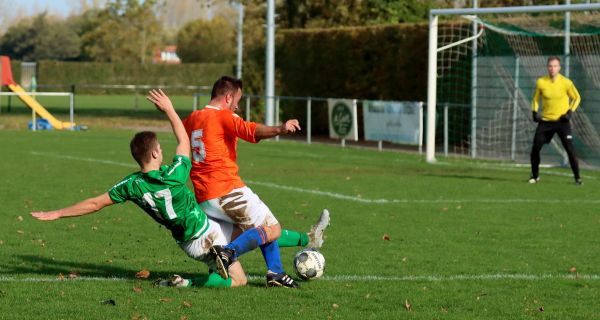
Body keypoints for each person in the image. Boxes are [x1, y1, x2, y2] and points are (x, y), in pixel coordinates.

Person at [30, 89, 252, 288]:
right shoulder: (173, 174)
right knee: (239, 279)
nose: (162, 152)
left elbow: (95, 204)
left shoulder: (132, 185)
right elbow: (183, 140)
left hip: (188, 241)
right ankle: (186, 283)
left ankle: (248, 260)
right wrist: (169, 110)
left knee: (252, 228)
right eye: (160, 149)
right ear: (155, 153)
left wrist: (58, 213)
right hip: (206, 236)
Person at [183, 76, 330, 288]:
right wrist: (280, 128)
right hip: (226, 189)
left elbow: (181, 134)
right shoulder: (223, 116)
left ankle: (281, 269)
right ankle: (229, 254)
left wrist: (169, 112)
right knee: (272, 228)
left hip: (205, 197)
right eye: (236, 100)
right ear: (228, 96)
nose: (237, 105)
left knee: (256, 231)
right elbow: (252, 131)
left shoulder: (193, 118)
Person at [530, 56, 582, 185]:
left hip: (562, 122)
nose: (552, 69)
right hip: (546, 122)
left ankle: (577, 178)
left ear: (559, 68)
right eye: (550, 66)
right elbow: (536, 99)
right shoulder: (541, 82)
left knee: (570, 149)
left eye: (555, 66)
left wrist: (569, 113)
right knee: (535, 148)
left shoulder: (566, 82)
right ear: (547, 67)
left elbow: (577, 98)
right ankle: (535, 176)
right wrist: (534, 112)